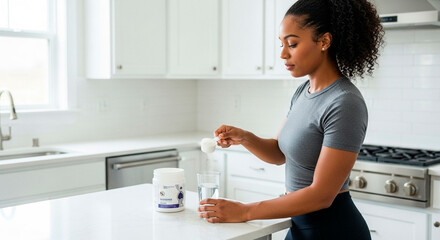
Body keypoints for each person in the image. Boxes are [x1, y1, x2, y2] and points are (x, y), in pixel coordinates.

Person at [197, 0, 385, 239]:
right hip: (299, 226)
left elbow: (321, 195)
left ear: (324, 41)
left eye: (292, 44)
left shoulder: (345, 102)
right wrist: (244, 137)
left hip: (333, 230)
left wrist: (245, 211)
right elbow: (279, 154)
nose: (283, 54)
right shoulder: (303, 92)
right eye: (282, 44)